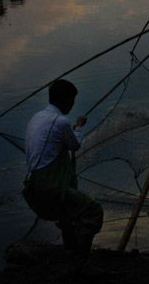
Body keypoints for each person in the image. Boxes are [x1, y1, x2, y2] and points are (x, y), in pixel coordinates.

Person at [23, 79, 103, 272]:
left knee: (68, 214)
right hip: (50, 187)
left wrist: (73, 129)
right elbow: (74, 144)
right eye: (72, 100)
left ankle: (70, 252)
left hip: (32, 185)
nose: (73, 104)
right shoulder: (61, 122)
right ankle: (80, 262)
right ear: (67, 101)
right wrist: (79, 126)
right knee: (93, 211)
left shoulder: (37, 117)